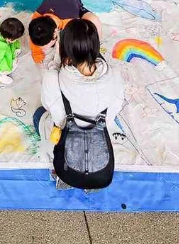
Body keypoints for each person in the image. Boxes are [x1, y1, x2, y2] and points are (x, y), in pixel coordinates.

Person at [35, 19, 125, 188]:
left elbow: (50, 108)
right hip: (99, 138)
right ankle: (87, 182)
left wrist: (57, 64)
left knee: (38, 115)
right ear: (95, 45)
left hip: (67, 135)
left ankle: (63, 176)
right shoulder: (115, 74)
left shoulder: (53, 78)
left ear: (65, 49)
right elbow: (116, 106)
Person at [29, 0, 102, 67]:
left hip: (73, 5)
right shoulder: (37, 17)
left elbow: (74, 42)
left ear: (55, 33)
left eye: (44, 45)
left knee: (93, 21)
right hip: (53, 0)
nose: (42, 48)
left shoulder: (70, 22)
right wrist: (36, 53)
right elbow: (35, 34)